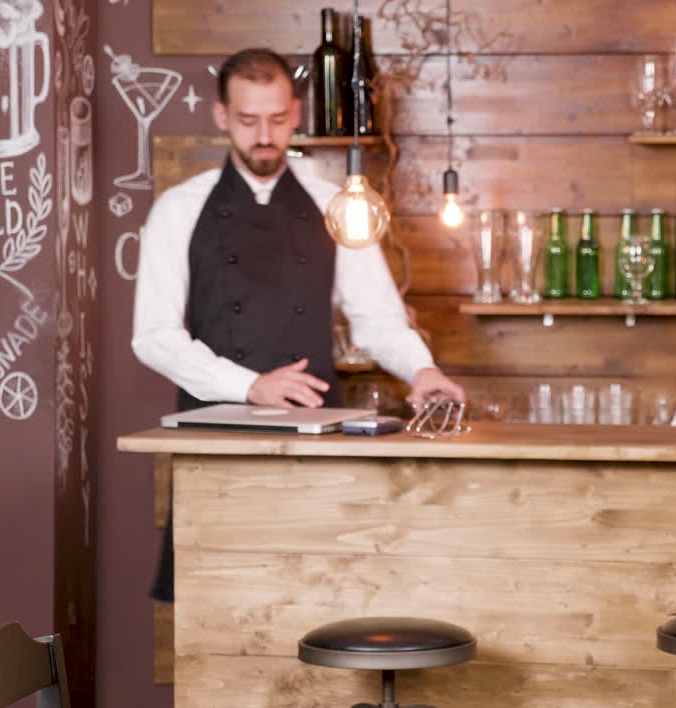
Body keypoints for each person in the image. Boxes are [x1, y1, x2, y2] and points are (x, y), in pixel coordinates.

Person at [132, 48, 465, 601]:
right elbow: (154, 336)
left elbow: (377, 318)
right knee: (215, 607)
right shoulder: (177, 209)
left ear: (296, 112)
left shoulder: (335, 203)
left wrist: (421, 370)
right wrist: (250, 386)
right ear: (221, 117)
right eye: (248, 120)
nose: (265, 135)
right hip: (216, 440)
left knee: (318, 596)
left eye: (278, 118)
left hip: (318, 432)